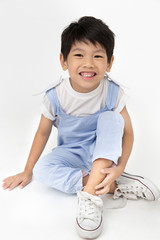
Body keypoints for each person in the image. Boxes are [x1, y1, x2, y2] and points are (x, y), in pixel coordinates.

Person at [2, 16, 160, 239]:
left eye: (97, 56)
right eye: (79, 55)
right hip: (73, 155)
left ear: (110, 63)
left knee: (113, 119)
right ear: (63, 61)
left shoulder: (112, 92)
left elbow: (128, 133)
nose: (88, 63)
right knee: (42, 170)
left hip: (103, 154)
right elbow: (43, 132)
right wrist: (28, 170)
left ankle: (90, 197)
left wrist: (119, 164)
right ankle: (112, 184)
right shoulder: (55, 95)